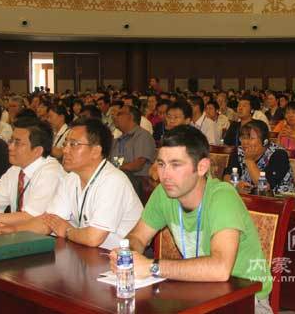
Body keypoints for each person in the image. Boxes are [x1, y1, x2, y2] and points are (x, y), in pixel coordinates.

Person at [110, 125, 273, 314]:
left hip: (246, 300)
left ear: (202, 167)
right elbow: (138, 237)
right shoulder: (164, 193)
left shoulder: (222, 197)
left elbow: (220, 269)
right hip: (198, 292)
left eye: (176, 165)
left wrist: (152, 266)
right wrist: (127, 256)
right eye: (161, 164)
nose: (165, 175)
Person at [0, 118, 144, 249]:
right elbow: (48, 221)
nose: (65, 150)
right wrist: (12, 230)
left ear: (96, 151)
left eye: (74, 144)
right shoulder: (71, 178)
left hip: (121, 262)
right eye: (65, 144)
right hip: (87, 254)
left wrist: (67, 231)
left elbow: (93, 238)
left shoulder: (113, 181)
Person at [0, 117, 65, 226]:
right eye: (11, 141)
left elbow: (30, 218)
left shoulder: (51, 173)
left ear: (37, 151)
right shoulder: (16, 169)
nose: (10, 147)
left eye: (17, 143)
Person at [223, 120, 294, 193]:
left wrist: (249, 160)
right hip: (246, 199)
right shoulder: (239, 152)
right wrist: (237, 185)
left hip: (276, 200)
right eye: (243, 138)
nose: (245, 142)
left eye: (251, 138)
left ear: (264, 141)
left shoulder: (279, 155)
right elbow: (227, 176)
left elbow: (264, 187)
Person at [110, 105, 156, 178]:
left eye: (119, 114)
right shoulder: (117, 140)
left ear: (130, 116)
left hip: (137, 181)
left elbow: (138, 165)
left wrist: (114, 168)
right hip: (119, 178)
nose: (115, 117)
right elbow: (114, 161)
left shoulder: (142, 135)